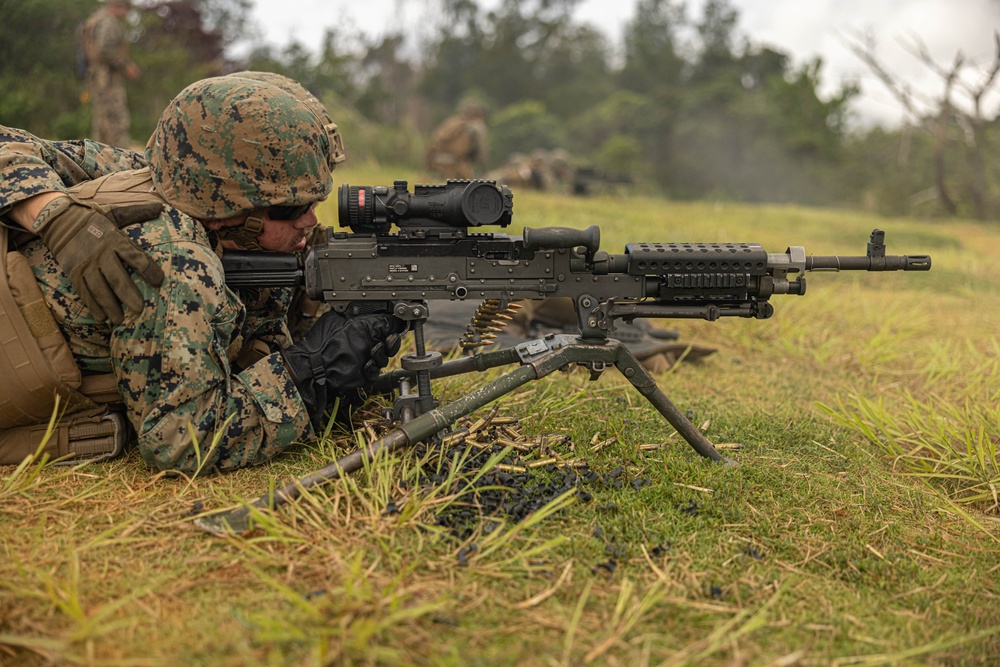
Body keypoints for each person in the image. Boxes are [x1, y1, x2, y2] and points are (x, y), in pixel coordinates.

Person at [0, 73, 405, 474]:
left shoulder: (177, 175)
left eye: (314, 202)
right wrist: (309, 371)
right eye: (289, 210)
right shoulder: (177, 264)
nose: (309, 220)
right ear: (229, 210)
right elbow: (180, 440)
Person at [80, 0, 141, 147]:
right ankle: (121, 159)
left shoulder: (97, 19)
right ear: (117, 6)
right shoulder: (109, 23)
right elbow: (104, 49)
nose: (126, 13)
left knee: (102, 122)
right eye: (126, 8)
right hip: (107, 79)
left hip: (98, 77)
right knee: (117, 120)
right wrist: (126, 65)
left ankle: (99, 158)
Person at [424, 100, 489, 180]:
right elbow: (481, 152)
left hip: (437, 163)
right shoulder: (474, 127)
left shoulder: (451, 123)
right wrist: (485, 170)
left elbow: (434, 141)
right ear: (478, 115)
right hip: (455, 166)